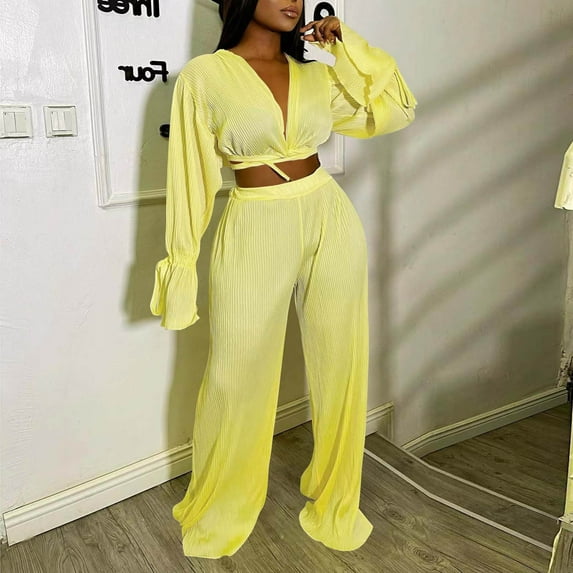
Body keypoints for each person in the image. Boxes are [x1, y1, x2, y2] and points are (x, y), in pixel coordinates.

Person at [150, 0, 417, 559]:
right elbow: (190, 178)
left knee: (342, 362)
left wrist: (346, 46)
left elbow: (393, 108)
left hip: (329, 214)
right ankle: (224, 500)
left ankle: (335, 493)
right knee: (235, 370)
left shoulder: (315, 75)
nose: (293, 0)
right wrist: (181, 265)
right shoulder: (205, 77)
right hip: (254, 220)